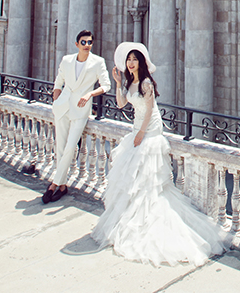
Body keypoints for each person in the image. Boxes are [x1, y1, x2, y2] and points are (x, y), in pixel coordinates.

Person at [91, 43, 225, 266]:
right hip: (137, 129)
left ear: (141, 62)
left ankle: (150, 222)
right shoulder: (131, 82)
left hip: (149, 130)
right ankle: (135, 219)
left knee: (149, 179)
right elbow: (122, 103)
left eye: (135, 59)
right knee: (134, 179)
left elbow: (151, 110)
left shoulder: (145, 83)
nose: (131, 62)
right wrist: (117, 84)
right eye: (129, 60)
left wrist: (142, 134)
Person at [43, 29, 111, 204]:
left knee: (71, 147)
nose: (87, 45)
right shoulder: (67, 60)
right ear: (77, 44)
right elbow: (58, 82)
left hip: (81, 109)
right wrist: (56, 101)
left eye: (90, 42)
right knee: (60, 147)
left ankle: (53, 184)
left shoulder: (98, 62)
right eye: (84, 42)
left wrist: (90, 95)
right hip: (63, 107)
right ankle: (63, 186)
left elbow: (106, 85)